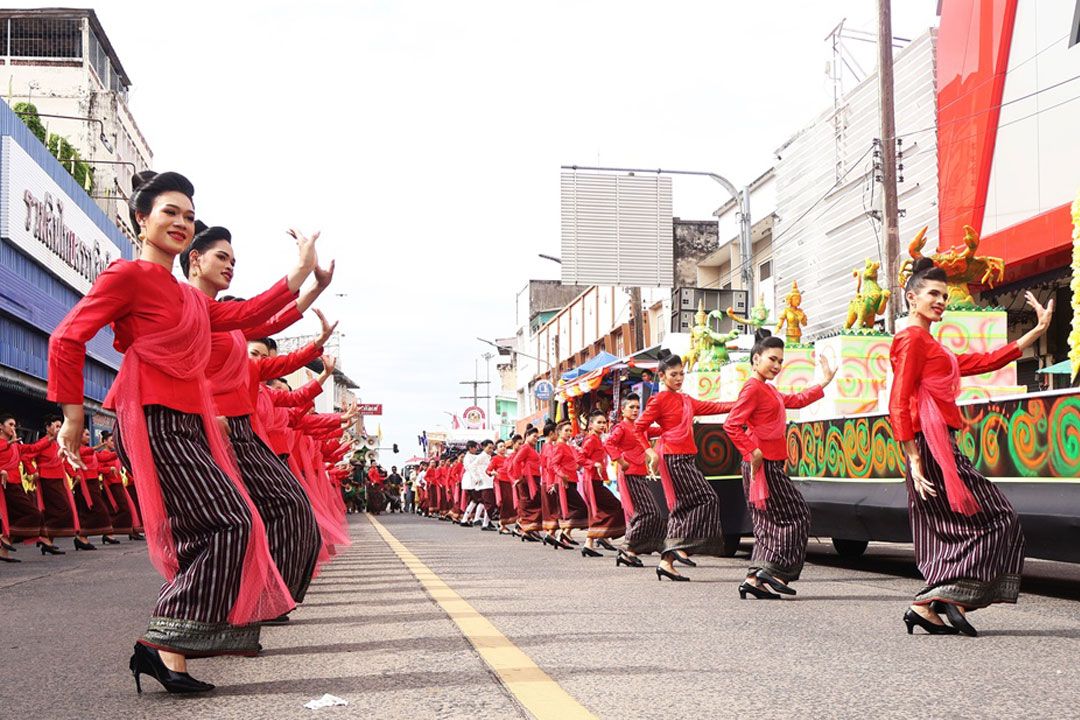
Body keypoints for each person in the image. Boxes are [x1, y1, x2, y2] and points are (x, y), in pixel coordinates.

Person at [48, 170, 319, 692]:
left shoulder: (190, 298)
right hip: (152, 421)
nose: (180, 222)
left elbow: (252, 316)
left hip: (187, 427)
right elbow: (67, 336)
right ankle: (161, 644)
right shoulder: (126, 276)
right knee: (232, 525)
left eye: (189, 216)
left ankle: (170, 654)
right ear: (141, 218)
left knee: (222, 528)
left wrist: (299, 273)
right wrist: (73, 417)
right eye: (169, 211)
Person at [889, 258, 1053, 637]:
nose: (941, 300)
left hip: (937, 441)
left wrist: (1036, 332)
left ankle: (931, 603)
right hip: (929, 444)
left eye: (944, 295)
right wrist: (913, 456)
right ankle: (943, 596)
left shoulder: (929, 342)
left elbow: (979, 361)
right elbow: (899, 398)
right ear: (912, 298)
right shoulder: (912, 338)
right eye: (933, 293)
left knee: (955, 524)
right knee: (997, 516)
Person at [724, 331, 835, 600]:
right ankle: (774, 571)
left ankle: (754, 579)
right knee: (797, 514)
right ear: (756, 359)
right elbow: (731, 424)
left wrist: (824, 381)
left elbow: (795, 401)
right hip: (764, 464)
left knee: (767, 522)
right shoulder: (752, 388)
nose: (776, 365)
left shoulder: (767, 389)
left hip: (766, 463)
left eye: (780, 361)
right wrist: (753, 451)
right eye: (772, 359)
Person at [635, 351, 734, 581]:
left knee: (682, 507)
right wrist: (649, 450)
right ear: (661, 376)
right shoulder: (659, 399)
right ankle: (680, 545)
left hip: (685, 456)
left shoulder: (686, 399)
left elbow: (713, 407)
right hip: (672, 456)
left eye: (682, 373)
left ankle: (666, 562)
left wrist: (740, 403)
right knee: (708, 498)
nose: (679, 378)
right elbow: (638, 428)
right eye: (673, 374)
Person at [604, 394, 661, 568]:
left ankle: (633, 549)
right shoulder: (621, 427)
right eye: (632, 407)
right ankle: (628, 547)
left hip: (640, 472)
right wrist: (621, 461)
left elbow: (660, 431)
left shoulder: (640, 427)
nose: (635, 410)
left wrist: (680, 421)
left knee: (646, 512)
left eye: (637, 407)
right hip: (629, 473)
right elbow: (609, 444)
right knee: (649, 512)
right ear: (623, 410)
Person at [20, 416, 91, 552]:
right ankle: (44, 536)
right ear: (48, 428)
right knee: (62, 509)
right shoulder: (42, 443)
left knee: (58, 511)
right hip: (47, 479)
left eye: (61, 426)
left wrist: (73, 474)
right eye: (57, 426)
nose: (59, 429)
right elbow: (26, 457)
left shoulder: (58, 444)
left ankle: (48, 541)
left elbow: (64, 462)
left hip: (59, 479)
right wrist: (33, 471)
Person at [578, 411, 625, 557]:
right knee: (613, 505)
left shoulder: (598, 439)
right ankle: (600, 536)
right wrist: (594, 464)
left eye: (604, 422)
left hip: (596, 480)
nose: (603, 425)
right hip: (591, 480)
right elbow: (579, 458)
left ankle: (592, 542)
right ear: (591, 424)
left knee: (600, 510)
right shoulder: (591, 440)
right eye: (599, 422)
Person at [0, 412, 40, 563]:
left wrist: (49, 439)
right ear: (0, 427)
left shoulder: (15, 446)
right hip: (7, 485)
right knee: (33, 513)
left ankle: (4, 551)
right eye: (10, 424)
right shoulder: (4, 444)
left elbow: (31, 449)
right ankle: (4, 537)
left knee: (14, 517)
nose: (13, 428)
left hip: (16, 484)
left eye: (14, 425)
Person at [550, 421, 589, 546]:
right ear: (559, 432)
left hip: (571, 480)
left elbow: (573, 464)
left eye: (570, 431)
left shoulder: (568, 446)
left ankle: (565, 533)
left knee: (575, 508)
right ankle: (564, 531)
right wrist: (562, 475)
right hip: (564, 482)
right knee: (581, 507)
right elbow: (554, 464)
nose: (568, 433)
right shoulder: (559, 446)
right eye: (566, 430)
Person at [510, 427, 543, 542]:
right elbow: (515, 462)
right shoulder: (525, 448)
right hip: (527, 479)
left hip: (534, 479)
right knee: (530, 504)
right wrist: (518, 477)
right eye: (534, 436)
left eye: (537, 437)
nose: (536, 439)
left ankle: (529, 529)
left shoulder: (531, 448)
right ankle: (526, 528)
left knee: (533, 503)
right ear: (527, 436)